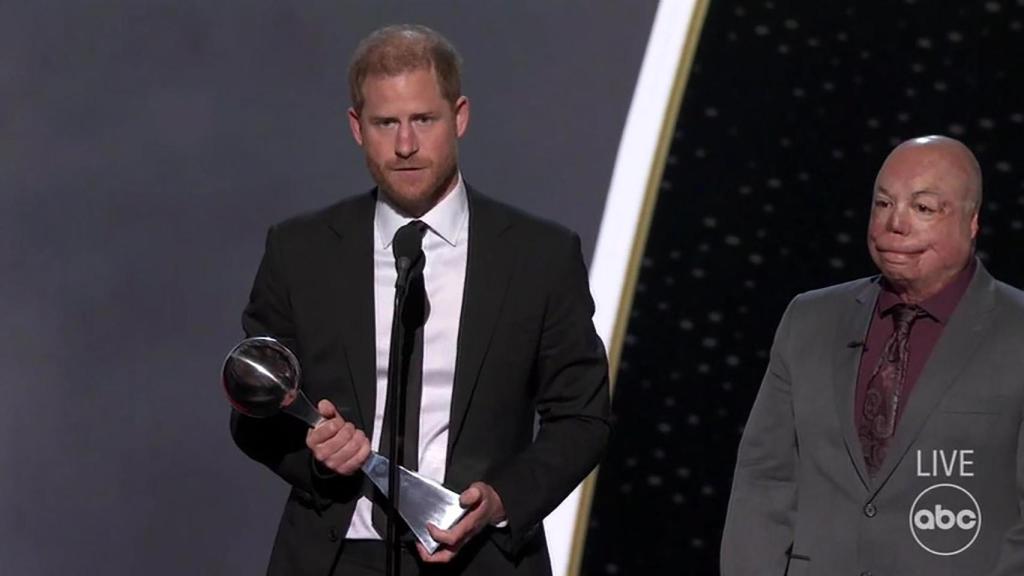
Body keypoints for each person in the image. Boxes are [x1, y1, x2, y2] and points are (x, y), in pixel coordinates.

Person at [230, 24, 610, 576]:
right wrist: (316, 455)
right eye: (386, 123)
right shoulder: (301, 252)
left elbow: (582, 418)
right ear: (357, 128)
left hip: (482, 556)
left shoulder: (539, 256)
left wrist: (500, 500)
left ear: (459, 117)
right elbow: (254, 408)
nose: (405, 145)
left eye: (423, 120)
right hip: (336, 555)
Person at [721, 136, 1024, 575]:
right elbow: (764, 481)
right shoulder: (808, 319)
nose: (894, 224)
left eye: (922, 208)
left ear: (972, 221)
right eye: (883, 204)